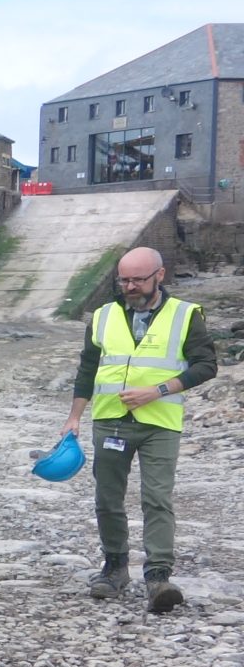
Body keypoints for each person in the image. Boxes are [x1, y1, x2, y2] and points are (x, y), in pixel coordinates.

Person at [66, 247, 217, 612]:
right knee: (107, 499)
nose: (130, 286)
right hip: (110, 421)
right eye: (124, 279)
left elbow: (206, 365)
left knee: (157, 499)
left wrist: (158, 390)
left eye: (137, 279)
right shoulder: (102, 316)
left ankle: (158, 577)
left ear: (159, 276)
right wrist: (73, 417)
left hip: (160, 424)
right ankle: (115, 568)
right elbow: (88, 369)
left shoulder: (185, 315)